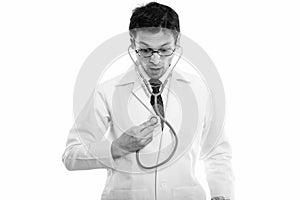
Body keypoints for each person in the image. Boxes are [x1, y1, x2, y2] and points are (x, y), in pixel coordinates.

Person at [62, 2, 234, 200]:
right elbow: (70, 156)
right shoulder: (107, 92)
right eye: (145, 50)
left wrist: (222, 194)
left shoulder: (199, 90)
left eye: (164, 50)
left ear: (177, 42)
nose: (155, 60)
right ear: (132, 42)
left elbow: (217, 151)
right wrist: (117, 147)